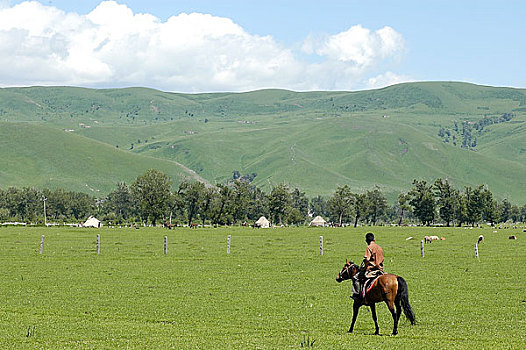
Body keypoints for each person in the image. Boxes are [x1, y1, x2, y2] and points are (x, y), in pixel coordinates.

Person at [352, 232, 384, 301]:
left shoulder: (369, 247)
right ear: (374, 239)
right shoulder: (379, 247)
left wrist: (365, 267)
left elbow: (367, 259)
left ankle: (357, 295)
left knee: (355, 278)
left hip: (371, 270)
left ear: (366, 240)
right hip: (380, 269)